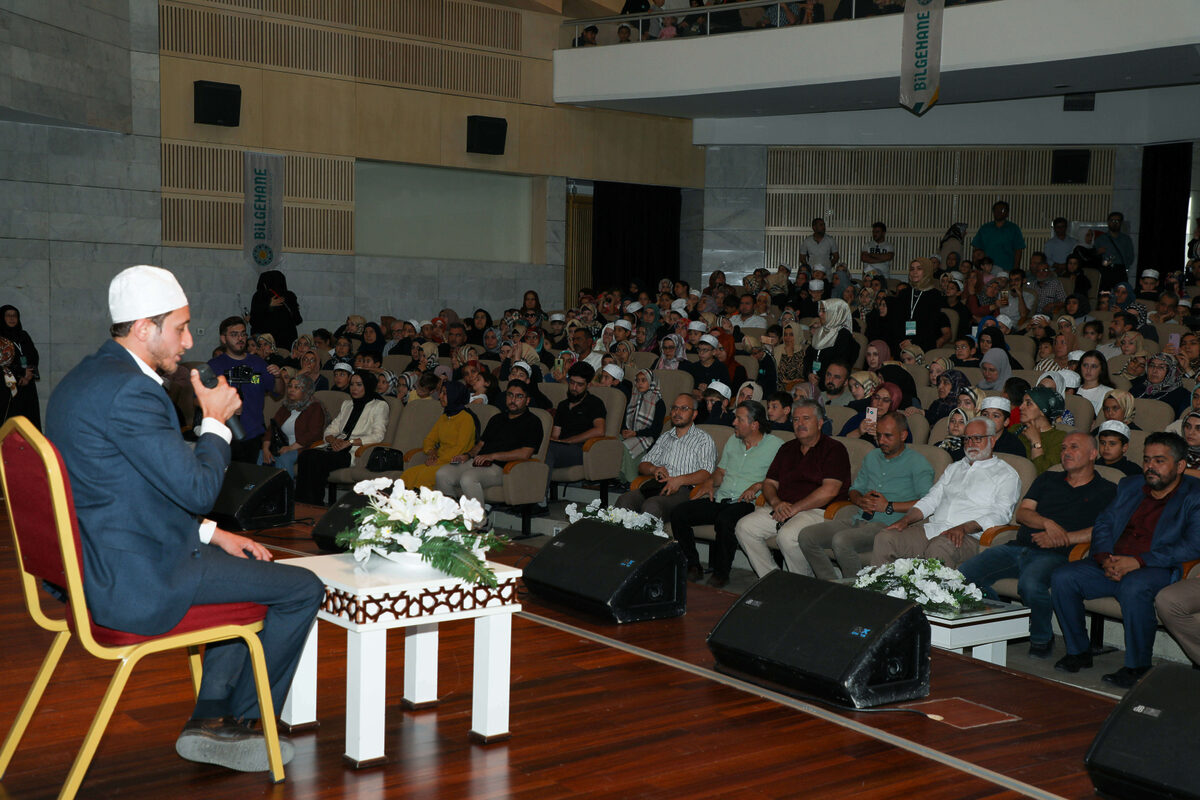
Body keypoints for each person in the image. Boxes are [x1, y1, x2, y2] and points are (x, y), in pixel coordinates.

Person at [45, 265, 324, 773]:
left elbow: (120, 490)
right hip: (137, 578)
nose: (189, 340)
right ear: (143, 329)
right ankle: (239, 722)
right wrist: (216, 422)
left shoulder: (84, 380)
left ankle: (212, 717)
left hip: (101, 560)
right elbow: (197, 487)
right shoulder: (131, 391)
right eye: (180, 327)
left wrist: (211, 532)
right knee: (301, 587)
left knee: (245, 572)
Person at [1052, 433, 1200, 688]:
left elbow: (1192, 545)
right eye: (1146, 460)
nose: (1150, 467)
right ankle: (1079, 652)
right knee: (1063, 576)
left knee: (1134, 587)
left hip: (1157, 567)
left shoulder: (1194, 495)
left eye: (1159, 460)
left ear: (1179, 466)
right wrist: (1104, 557)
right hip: (1113, 561)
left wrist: (1138, 561)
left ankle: (1138, 666)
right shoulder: (1130, 485)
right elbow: (1104, 523)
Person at [959, 433, 1116, 659]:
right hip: (1017, 547)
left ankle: (1042, 637)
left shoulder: (1107, 490)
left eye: (1074, 447)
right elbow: (1023, 513)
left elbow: (1104, 530)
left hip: (1058, 554)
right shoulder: (1047, 479)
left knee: (1030, 585)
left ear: (1093, 454)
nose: (1066, 452)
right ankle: (1003, 621)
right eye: (1063, 448)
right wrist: (1047, 523)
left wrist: (1064, 538)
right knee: (964, 575)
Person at [797, 413, 935, 581]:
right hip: (859, 519)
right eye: (879, 435)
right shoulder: (872, 456)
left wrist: (889, 506)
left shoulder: (918, 462)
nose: (881, 440)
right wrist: (860, 500)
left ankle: (858, 589)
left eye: (888, 436)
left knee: (842, 541)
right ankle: (832, 583)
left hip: (888, 526)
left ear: (903, 435)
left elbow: (928, 501)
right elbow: (854, 490)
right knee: (807, 536)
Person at [872, 417, 1022, 569]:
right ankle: (881, 591)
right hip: (934, 529)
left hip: (969, 537)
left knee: (939, 547)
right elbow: (931, 500)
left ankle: (934, 593)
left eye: (977, 439)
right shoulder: (954, 468)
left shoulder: (1006, 474)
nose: (970, 444)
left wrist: (963, 528)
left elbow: (1001, 515)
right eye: (967, 439)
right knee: (885, 538)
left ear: (992, 440)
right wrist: (906, 520)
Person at [668, 401, 783, 588]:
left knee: (725, 519)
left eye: (739, 419)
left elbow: (779, 479)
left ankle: (722, 573)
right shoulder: (733, 441)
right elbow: (720, 472)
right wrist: (709, 482)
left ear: (754, 425)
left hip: (749, 502)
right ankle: (693, 565)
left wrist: (757, 486)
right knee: (679, 513)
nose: (734, 423)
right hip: (722, 498)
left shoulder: (776, 446)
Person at [734, 400, 851, 578]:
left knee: (787, 536)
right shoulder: (786, 448)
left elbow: (830, 490)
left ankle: (802, 585)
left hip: (818, 511)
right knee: (744, 527)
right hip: (783, 508)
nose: (800, 424)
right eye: (796, 420)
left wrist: (794, 509)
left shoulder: (834, 449)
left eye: (806, 419)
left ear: (820, 423)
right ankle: (772, 580)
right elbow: (769, 483)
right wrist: (776, 503)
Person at [435, 379, 543, 522]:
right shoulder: (497, 419)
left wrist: (493, 456)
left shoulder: (533, 422)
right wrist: (467, 455)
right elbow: (480, 445)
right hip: (478, 462)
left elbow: (525, 453)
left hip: (505, 468)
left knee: (468, 478)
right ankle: (452, 520)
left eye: (519, 396)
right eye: (510, 395)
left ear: (527, 400)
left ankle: (480, 523)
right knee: (442, 474)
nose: (513, 400)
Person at [616, 393, 715, 522]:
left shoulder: (703, 440)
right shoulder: (665, 437)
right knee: (624, 500)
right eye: (674, 408)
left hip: (684, 490)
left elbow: (706, 473)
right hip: (657, 485)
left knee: (652, 505)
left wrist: (679, 480)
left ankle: (646, 542)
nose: (677, 412)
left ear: (694, 414)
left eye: (684, 408)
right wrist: (653, 469)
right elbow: (643, 464)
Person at [295, 370, 390, 504]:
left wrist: (349, 442)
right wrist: (333, 440)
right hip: (333, 447)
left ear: (367, 385)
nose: (354, 388)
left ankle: (313, 503)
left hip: (352, 452)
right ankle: (302, 503)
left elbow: (378, 436)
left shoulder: (379, 406)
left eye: (359, 385)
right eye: (352, 384)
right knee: (306, 455)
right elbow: (330, 429)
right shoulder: (347, 404)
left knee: (314, 458)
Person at [209, 317, 285, 464]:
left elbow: (278, 392)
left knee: (248, 482)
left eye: (243, 334)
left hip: (253, 433)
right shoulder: (214, 366)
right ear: (223, 339)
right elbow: (197, 400)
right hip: (223, 435)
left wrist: (278, 377)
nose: (240, 338)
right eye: (234, 334)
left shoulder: (257, 363)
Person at [398, 382, 476, 490]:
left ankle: (418, 504)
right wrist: (431, 453)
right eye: (441, 393)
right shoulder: (445, 416)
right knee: (408, 474)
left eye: (444, 393)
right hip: (439, 461)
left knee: (424, 476)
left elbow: (460, 449)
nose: (440, 396)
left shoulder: (466, 419)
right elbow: (429, 439)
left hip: (454, 463)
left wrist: (437, 461)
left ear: (454, 395)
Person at [544, 363, 608, 489]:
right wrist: (554, 441)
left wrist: (568, 441)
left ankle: (539, 500)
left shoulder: (595, 403)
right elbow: (556, 434)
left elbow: (600, 430)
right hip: (561, 448)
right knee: (538, 447)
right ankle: (523, 497)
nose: (574, 388)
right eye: (571, 382)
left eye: (579, 385)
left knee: (549, 450)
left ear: (588, 385)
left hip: (582, 450)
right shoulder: (563, 405)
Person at [260, 374, 325, 480]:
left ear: (306, 390)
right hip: (281, 446)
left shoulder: (314, 407)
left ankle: (286, 493)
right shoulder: (286, 406)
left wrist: (290, 448)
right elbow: (272, 427)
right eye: (290, 386)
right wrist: (266, 448)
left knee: (284, 458)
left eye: (297, 387)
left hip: (303, 448)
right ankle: (262, 494)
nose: (291, 390)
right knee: (261, 455)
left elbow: (314, 434)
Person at [619, 368, 666, 483]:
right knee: (614, 441)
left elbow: (655, 430)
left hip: (647, 437)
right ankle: (618, 477)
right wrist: (624, 430)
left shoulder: (658, 402)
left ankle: (631, 480)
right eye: (637, 380)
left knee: (626, 446)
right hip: (631, 433)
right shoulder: (632, 397)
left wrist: (636, 433)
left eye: (643, 380)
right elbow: (623, 419)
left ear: (651, 382)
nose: (639, 383)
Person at [0, 305, 40, 428]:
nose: (12, 318)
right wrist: (20, 372)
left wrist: (29, 374)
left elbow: (34, 355)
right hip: (7, 387)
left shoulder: (23, 335)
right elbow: (2, 362)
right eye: (8, 315)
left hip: (26, 385)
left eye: (15, 315)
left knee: (29, 420)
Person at [248, 270, 302, 350]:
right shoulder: (290, 296)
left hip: (266, 342)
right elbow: (298, 320)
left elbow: (254, 321)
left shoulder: (260, 296)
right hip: (288, 340)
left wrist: (267, 306)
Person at [971, 200, 1026, 273]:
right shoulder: (985, 228)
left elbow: (1018, 250)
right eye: (996, 210)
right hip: (987, 269)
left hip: (1006, 269)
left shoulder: (1013, 229)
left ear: (1007, 213)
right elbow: (977, 248)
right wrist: (978, 265)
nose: (999, 212)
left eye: (1002, 210)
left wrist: (1015, 268)